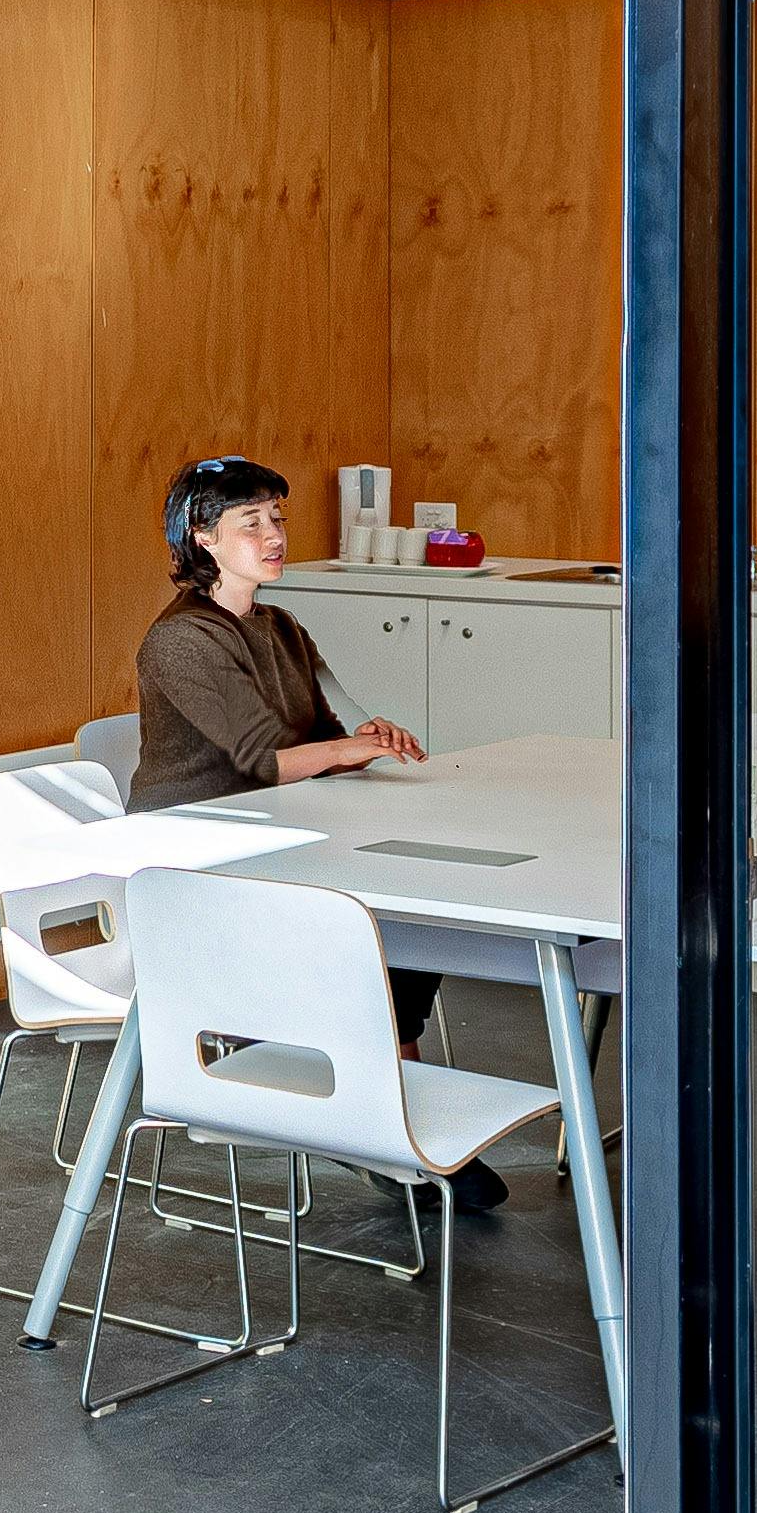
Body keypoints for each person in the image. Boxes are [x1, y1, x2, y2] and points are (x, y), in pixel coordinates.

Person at [129, 455, 492, 1210]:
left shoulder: (282, 627)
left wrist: (364, 735)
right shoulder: (181, 641)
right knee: (372, 925)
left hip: (277, 838)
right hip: (200, 869)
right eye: (250, 522)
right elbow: (263, 758)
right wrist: (344, 749)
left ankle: (388, 1122)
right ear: (202, 538)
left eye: (277, 518)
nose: (273, 535)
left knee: (410, 913)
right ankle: (384, 1130)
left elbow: (322, 732)